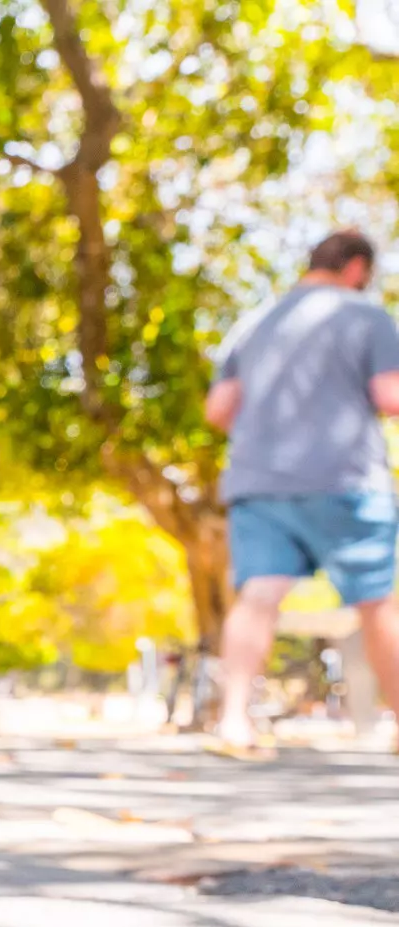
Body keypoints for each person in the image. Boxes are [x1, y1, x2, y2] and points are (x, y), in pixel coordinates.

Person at [205, 228, 399, 751]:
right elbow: (390, 395)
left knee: (258, 596)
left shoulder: (254, 324)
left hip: (258, 479)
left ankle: (233, 721)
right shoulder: (367, 317)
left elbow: (218, 409)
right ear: (356, 268)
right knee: (377, 602)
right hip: (346, 479)